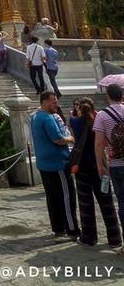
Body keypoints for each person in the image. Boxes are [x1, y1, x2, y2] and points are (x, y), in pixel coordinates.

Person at [70, 98, 121, 249]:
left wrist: (76, 113)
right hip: (100, 166)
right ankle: (115, 238)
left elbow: (74, 123)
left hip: (82, 168)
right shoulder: (99, 120)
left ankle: (89, 236)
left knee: (86, 203)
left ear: (79, 108)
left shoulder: (75, 122)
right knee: (107, 203)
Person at [30, 90, 79, 238]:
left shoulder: (35, 116)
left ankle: (58, 228)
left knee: (52, 197)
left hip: (43, 163)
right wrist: (71, 139)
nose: (56, 104)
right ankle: (72, 229)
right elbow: (58, 138)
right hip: (57, 163)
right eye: (53, 101)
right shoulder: (48, 118)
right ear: (44, 102)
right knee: (66, 197)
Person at [94, 83, 124, 240]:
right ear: (122, 96)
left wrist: (100, 165)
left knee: (122, 202)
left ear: (108, 96)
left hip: (116, 164)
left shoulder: (102, 115)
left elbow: (99, 143)